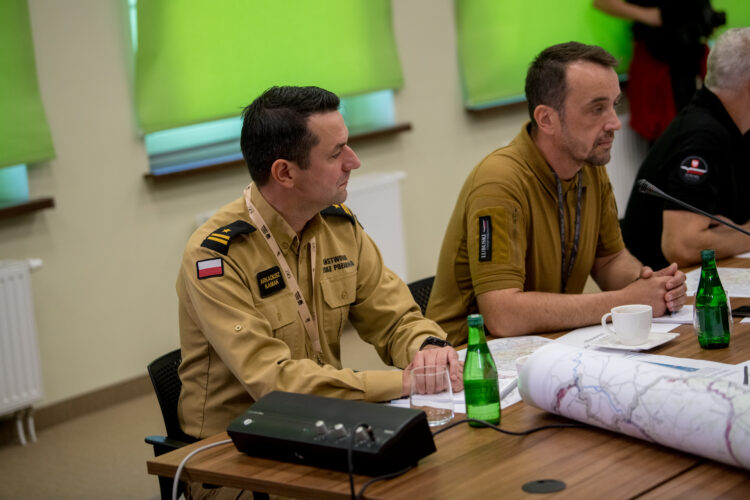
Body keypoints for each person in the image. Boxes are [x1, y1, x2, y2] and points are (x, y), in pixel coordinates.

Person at [176, 86, 462, 446]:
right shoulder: (216, 256)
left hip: (322, 423)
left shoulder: (337, 226)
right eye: (336, 153)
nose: (353, 161)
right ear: (285, 173)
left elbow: (395, 319)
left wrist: (428, 349)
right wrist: (405, 382)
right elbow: (275, 382)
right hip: (233, 445)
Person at [426, 42, 687, 346]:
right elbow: (502, 315)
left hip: (548, 343)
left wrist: (651, 286)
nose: (615, 123)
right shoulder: (499, 183)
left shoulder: (588, 165)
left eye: (614, 105)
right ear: (546, 119)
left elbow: (609, 259)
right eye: (597, 109)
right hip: (471, 356)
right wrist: (624, 301)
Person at [621, 28, 750, 269]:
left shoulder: (736, 125)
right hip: (657, 283)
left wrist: (734, 233)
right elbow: (682, 246)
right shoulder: (702, 136)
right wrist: (744, 234)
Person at [592, 0, 723, 142]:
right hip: (657, 63)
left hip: (689, 59)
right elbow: (602, 2)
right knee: (666, 134)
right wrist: (650, 15)